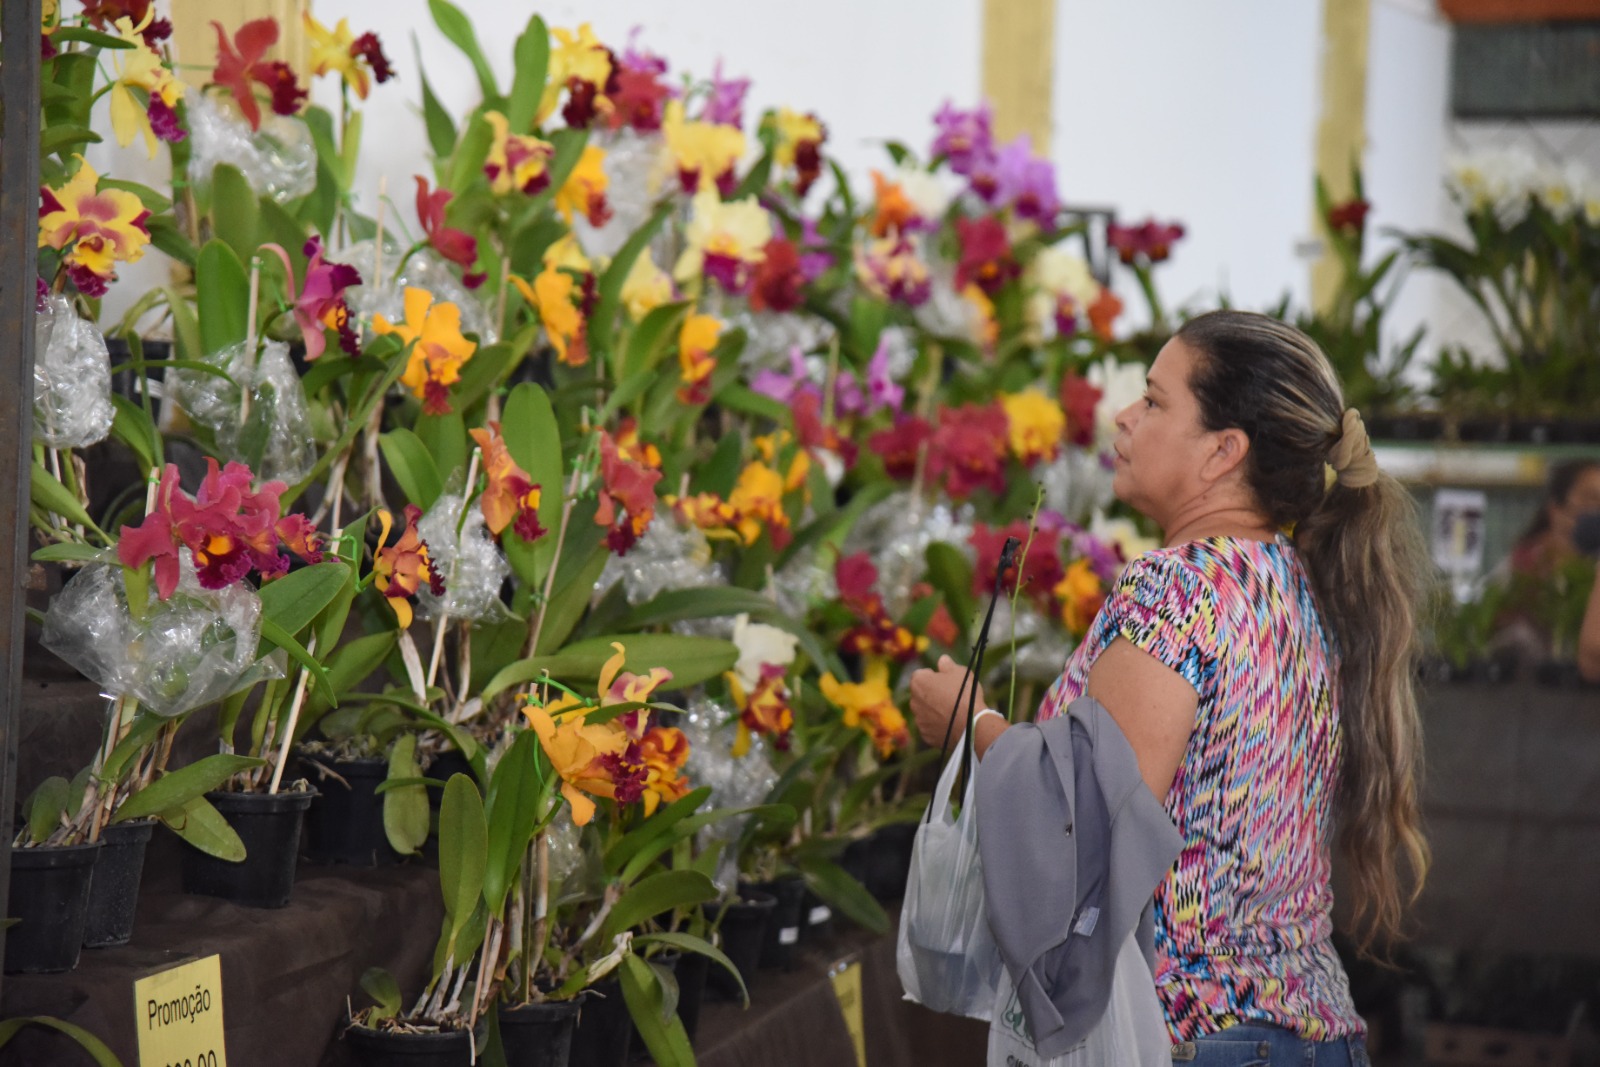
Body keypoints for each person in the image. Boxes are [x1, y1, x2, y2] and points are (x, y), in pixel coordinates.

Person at [911, 310, 1429, 1066]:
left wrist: (973, 724)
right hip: (1310, 1029)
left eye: (1154, 401)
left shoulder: (1177, 586)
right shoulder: (1298, 585)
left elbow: (1086, 821)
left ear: (1223, 451)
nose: (1125, 415)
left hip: (1194, 1034)